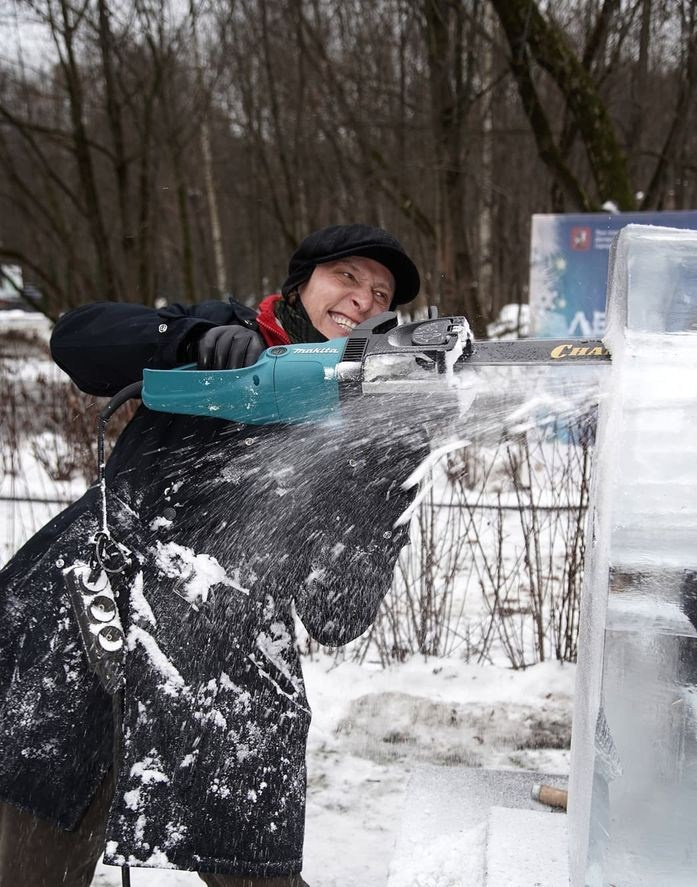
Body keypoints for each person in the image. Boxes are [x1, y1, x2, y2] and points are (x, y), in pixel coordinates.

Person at [0, 224, 424, 886]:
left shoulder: (369, 428)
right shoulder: (220, 330)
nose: (363, 298)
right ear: (299, 284)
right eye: (347, 277)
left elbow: (339, 614)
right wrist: (190, 342)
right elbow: (76, 339)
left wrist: (388, 474)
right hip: (89, 610)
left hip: (232, 653)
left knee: (257, 866)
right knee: (37, 838)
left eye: (380, 292)